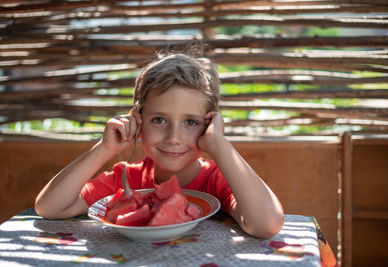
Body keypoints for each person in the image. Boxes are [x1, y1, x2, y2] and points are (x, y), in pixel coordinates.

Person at [35, 53, 284, 238]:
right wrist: (104, 149)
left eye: (190, 122)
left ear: (209, 125)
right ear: (137, 120)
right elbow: (49, 207)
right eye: (159, 120)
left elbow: (266, 224)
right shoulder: (127, 179)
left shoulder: (215, 180)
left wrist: (220, 144)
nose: (173, 138)